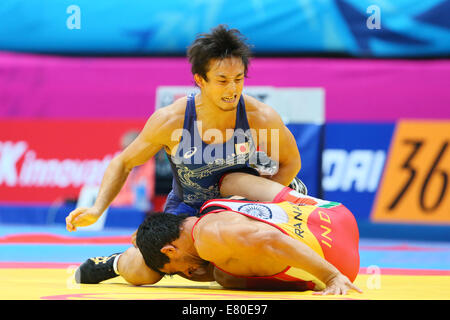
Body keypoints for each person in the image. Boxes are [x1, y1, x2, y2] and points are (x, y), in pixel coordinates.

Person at [67, 24, 303, 285]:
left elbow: (290, 162)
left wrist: (261, 202)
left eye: (239, 79)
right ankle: (116, 262)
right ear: (200, 79)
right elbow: (123, 162)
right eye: (222, 80)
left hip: (239, 207)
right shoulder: (172, 121)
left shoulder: (260, 117)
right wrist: (98, 208)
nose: (232, 89)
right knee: (143, 272)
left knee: (229, 274)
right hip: (187, 209)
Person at [135, 172, 362, 295]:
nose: (190, 272)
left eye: (178, 270)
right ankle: (293, 191)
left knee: (226, 275)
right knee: (231, 181)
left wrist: (331, 277)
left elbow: (269, 239)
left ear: (170, 250)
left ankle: (309, 279)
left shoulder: (207, 237)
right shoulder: (213, 206)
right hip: (337, 214)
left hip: (338, 261)